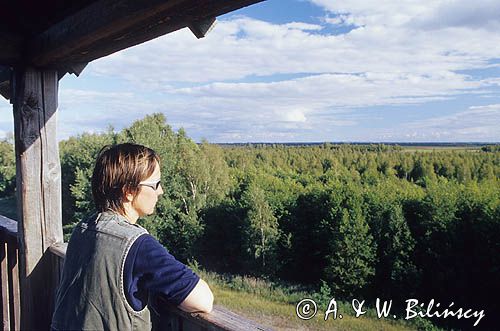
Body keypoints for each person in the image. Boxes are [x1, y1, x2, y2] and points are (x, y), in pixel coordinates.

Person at [51, 143, 213, 331]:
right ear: (129, 191)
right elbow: (203, 301)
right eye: (155, 185)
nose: (161, 191)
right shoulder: (137, 245)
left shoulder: (83, 229)